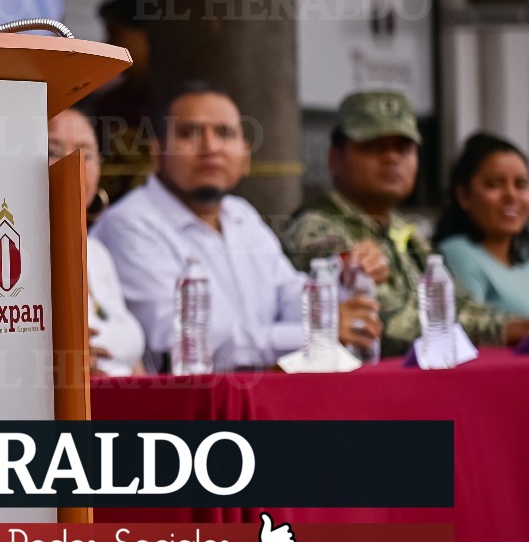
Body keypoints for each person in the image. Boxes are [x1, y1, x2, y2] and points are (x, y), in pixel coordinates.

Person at [94, 81, 380, 371]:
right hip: (185, 408)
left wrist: (337, 288)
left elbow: (287, 294)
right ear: (156, 154)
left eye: (224, 133)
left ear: (245, 156)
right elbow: (186, 339)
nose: (210, 146)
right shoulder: (130, 223)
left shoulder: (240, 214)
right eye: (189, 133)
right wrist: (314, 332)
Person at [284, 91, 529, 357]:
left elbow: (459, 304)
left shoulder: (404, 229)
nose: (392, 158)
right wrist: (498, 330)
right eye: (374, 146)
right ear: (335, 158)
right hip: (358, 391)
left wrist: (516, 326)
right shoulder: (316, 227)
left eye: (403, 148)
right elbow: (383, 327)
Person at [48, 106, 145, 376]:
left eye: (86, 153)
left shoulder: (98, 253)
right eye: (52, 151)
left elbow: (134, 364)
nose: (73, 162)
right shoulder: (14, 254)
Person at [433, 133, 529, 317]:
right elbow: (471, 329)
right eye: (495, 184)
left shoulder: (524, 259)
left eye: (521, 184)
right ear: (463, 196)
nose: (511, 195)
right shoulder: (458, 253)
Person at [83, 0, 154, 205]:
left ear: (147, 34)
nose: (108, 43)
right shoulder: (111, 103)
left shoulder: (176, 101)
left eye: (115, 33)